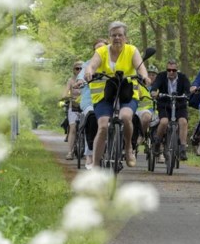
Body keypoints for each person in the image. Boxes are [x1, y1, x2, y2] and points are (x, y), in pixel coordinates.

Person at [84, 21, 152, 168]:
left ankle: (128, 149)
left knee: (126, 117)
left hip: (127, 92)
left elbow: (141, 68)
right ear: (109, 38)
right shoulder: (101, 52)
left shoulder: (132, 50)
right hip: (104, 95)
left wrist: (145, 77)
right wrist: (89, 71)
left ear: (125, 37)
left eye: (120, 35)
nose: (117, 38)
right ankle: (95, 165)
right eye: (113, 35)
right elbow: (92, 65)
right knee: (102, 126)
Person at [76, 38, 108, 169]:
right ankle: (89, 154)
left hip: (108, 99)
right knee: (92, 117)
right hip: (90, 100)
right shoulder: (87, 64)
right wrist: (80, 81)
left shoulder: (113, 64)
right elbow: (81, 76)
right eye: (97, 49)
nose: (100, 51)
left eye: (103, 48)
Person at [151, 59, 191, 161]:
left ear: (177, 70)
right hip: (164, 104)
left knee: (183, 122)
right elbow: (155, 86)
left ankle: (182, 149)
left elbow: (188, 89)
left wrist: (188, 95)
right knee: (164, 122)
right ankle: (157, 143)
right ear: (166, 69)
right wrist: (154, 92)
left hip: (179, 105)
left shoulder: (183, 77)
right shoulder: (161, 76)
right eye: (169, 70)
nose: (171, 72)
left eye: (174, 70)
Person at [62, 60, 84, 160]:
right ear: (74, 70)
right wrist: (65, 96)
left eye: (81, 68)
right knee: (73, 128)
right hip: (74, 106)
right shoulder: (71, 81)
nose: (79, 70)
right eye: (77, 68)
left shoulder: (88, 79)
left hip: (86, 105)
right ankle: (70, 152)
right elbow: (66, 92)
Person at [134, 64, 158, 149]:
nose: (151, 77)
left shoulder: (158, 87)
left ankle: (159, 148)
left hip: (155, 111)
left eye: (153, 75)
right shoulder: (140, 85)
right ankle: (140, 135)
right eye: (149, 74)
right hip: (140, 110)